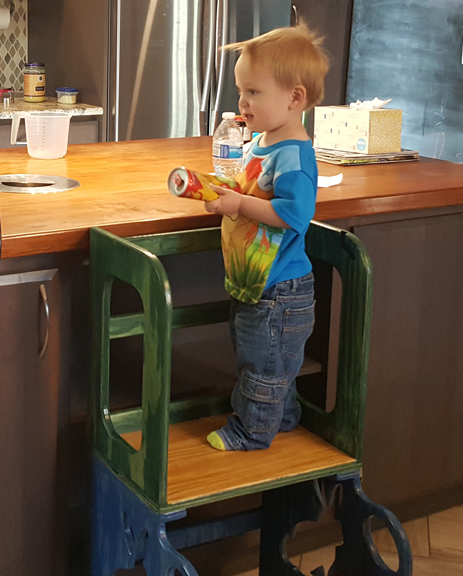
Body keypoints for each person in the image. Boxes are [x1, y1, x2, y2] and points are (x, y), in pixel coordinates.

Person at [204, 23, 329, 451]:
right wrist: (225, 195)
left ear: (295, 98)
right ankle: (284, 417)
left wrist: (238, 207)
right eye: (241, 90)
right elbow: (251, 189)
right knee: (263, 359)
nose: (242, 101)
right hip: (258, 281)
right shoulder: (263, 141)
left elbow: (294, 214)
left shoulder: (293, 155)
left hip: (281, 289)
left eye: (253, 92)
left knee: (264, 365)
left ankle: (252, 432)